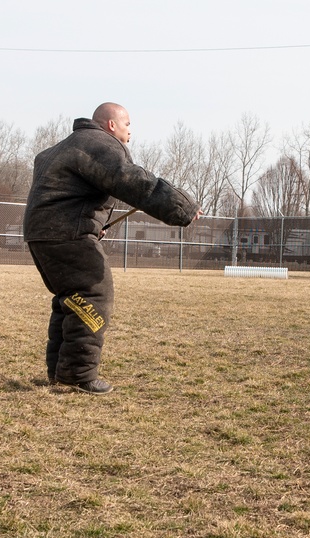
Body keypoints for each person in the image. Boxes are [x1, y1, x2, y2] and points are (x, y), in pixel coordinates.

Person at [24, 102, 203, 394]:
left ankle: (61, 371)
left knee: (71, 297)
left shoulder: (68, 145)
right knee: (94, 293)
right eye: (128, 124)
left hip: (42, 232)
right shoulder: (100, 143)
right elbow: (132, 181)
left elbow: (65, 195)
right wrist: (181, 207)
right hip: (66, 233)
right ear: (111, 125)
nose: (130, 131)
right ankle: (78, 374)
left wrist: (93, 224)